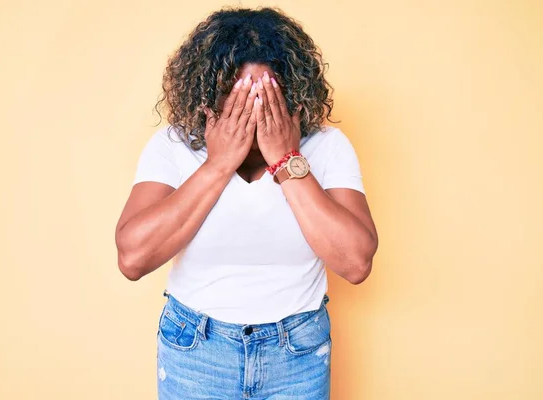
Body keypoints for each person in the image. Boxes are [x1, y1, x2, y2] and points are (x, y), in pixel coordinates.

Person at [115, 6, 378, 399]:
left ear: (293, 95)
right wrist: (219, 164)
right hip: (196, 349)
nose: (255, 111)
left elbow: (356, 263)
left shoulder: (326, 147)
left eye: (267, 96)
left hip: (298, 350)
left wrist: (287, 161)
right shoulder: (173, 146)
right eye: (241, 97)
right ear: (210, 97)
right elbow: (132, 259)